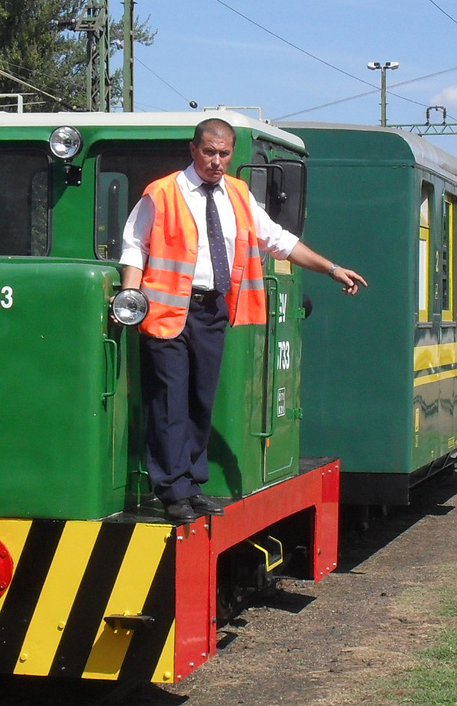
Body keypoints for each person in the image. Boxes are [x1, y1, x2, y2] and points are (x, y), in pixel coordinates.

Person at [120, 118, 367, 523]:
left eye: (224, 154)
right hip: (165, 311)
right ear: (193, 149)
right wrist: (131, 297)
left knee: (200, 400)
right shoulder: (162, 193)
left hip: (212, 311)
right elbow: (134, 246)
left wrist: (330, 267)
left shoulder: (238, 195)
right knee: (168, 402)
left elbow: (279, 240)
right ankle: (172, 491)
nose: (217, 161)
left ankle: (192, 483)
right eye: (209, 152)